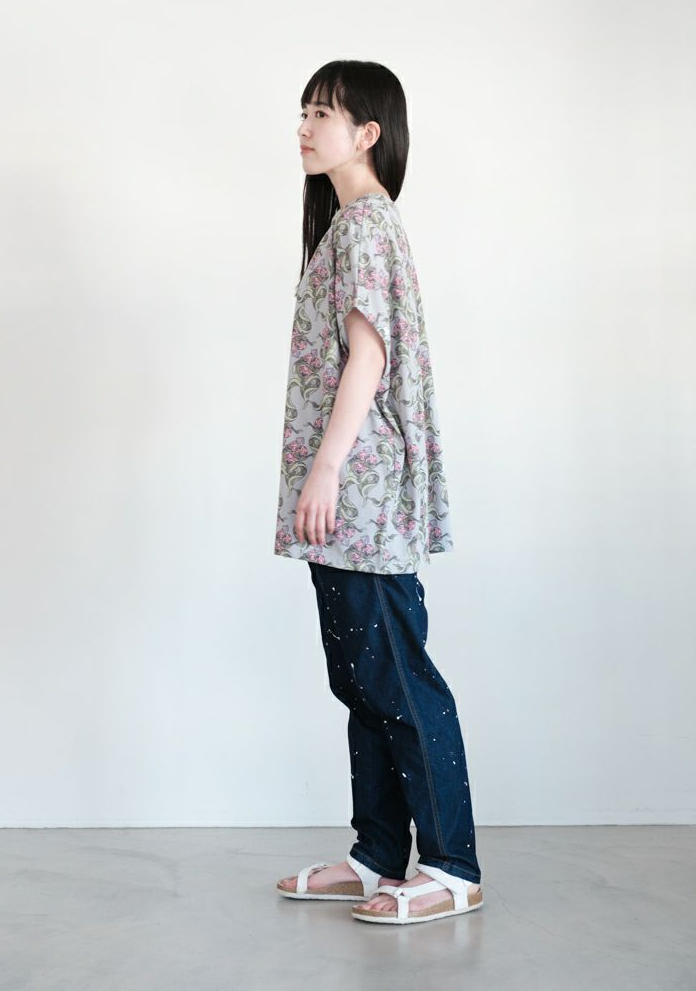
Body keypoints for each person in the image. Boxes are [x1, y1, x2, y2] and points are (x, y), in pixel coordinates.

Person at [273, 60, 483, 926]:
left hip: (360, 494)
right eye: (303, 111)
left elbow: (369, 356)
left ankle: (452, 867)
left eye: (322, 113)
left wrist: (325, 468)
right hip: (350, 499)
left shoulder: (365, 225)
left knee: (397, 681)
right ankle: (376, 856)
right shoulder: (349, 225)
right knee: (364, 682)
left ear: (368, 133)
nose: (304, 127)